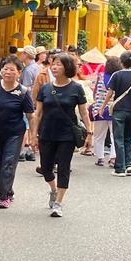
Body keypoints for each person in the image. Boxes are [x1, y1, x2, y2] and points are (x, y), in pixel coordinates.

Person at [30, 53, 93, 217]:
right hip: (46, 133)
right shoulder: (45, 88)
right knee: (45, 167)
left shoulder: (76, 88)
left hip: (67, 134)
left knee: (64, 167)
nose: (54, 67)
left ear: (68, 67)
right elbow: (37, 114)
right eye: (53, 64)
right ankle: (53, 189)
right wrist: (33, 135)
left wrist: (90, 133)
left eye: (59, 64)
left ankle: (58, 202)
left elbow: (84, 113)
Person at [0, 56, 35, 208]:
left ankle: (4, 197)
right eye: (5, 68)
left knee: (8, 163)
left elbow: (31, 116)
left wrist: (33, 137)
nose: (7, 72)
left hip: (15, 133)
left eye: (11, 69)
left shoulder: (22, 92)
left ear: (19, 73)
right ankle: (6, 191)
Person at [98, 51, 131, 177]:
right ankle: (129, 165)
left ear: (121, 62)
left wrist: (103, 107)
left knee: (118, 139)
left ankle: (120, 168)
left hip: (119, 110)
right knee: (129, 138)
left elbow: (110, 93)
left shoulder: (116, 75)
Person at [90, 57, 121, 167]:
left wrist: (96, 101)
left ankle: (100, 158)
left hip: (100, 108)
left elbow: (95, 91)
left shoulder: (101, 76)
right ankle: (113, 158)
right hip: (114, 108)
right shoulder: (118, 77)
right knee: (114, 135)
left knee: (99, 135)